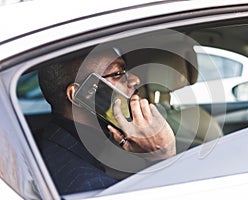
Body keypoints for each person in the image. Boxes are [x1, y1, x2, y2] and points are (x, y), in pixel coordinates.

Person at [37, 47, 176, 195]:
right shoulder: (90, 184)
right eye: (117, 74)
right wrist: (163, 157)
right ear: (79, 95)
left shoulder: (57, 140)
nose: (135, 79)